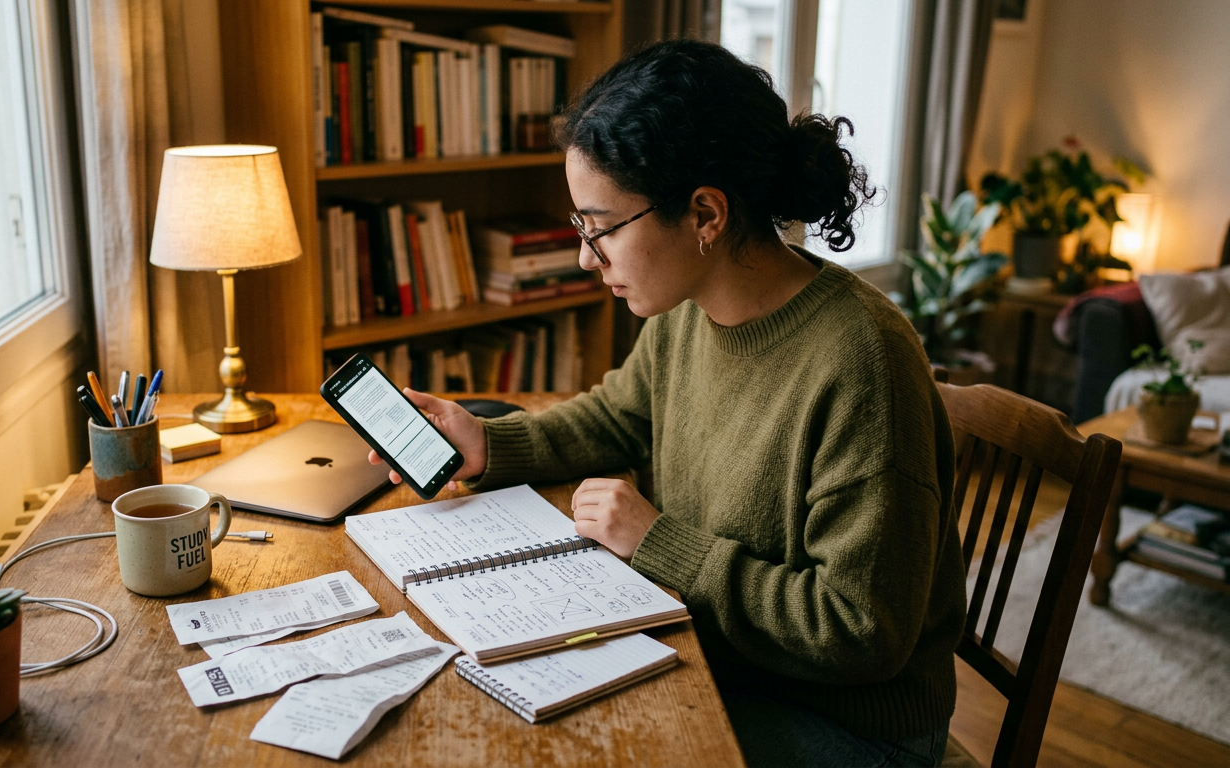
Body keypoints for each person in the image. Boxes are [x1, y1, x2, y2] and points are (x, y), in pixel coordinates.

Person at [369, 39, 966, 768]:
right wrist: (492, 445)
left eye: (601, 226)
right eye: (579, 226)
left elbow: (859, 629)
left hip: (847, 727)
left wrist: (658, 543)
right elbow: (619, 415)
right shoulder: (688, 307)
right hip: (717, 661)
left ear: (705, 214)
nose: (587, 256)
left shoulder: (864, 363)